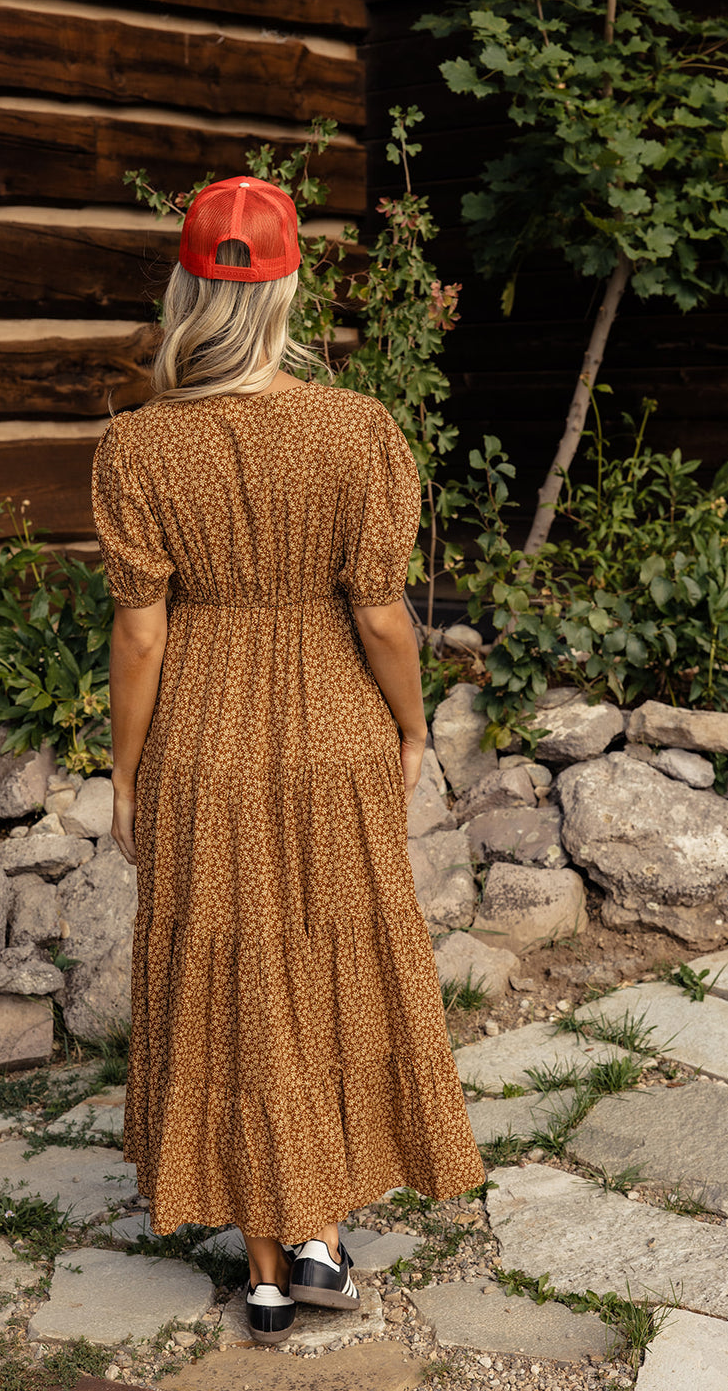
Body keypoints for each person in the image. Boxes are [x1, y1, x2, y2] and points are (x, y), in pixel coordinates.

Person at [91, 175, 486, 1345]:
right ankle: (311, 1233)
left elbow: (141, 628)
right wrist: (411, 724)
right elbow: (377, 613)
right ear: (287, 287)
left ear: (185, 289)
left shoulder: (137, 444)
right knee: (324, 956)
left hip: (202, 733)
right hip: (328, 726)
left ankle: (267, 1267)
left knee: (229, 971)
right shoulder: (355, 426)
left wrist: (124, 768)